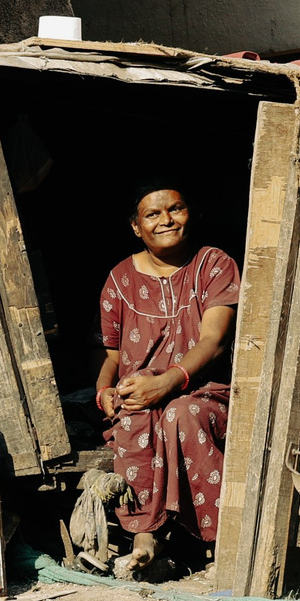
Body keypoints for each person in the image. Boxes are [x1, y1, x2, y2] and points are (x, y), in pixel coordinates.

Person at [93, 186, 239, 576]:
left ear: (190, 213)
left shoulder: (213, 265)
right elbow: (110, 354)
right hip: (141, 395)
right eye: (153, 214)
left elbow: (214, 340)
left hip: (206, 391)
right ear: (136, 226)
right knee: (136, 404)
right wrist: (104, 390)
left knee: (181, 414)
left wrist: (168, 382)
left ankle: (223, 543)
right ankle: (146, 536)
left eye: (176, 209)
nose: (166, 220)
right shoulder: (120, 280)